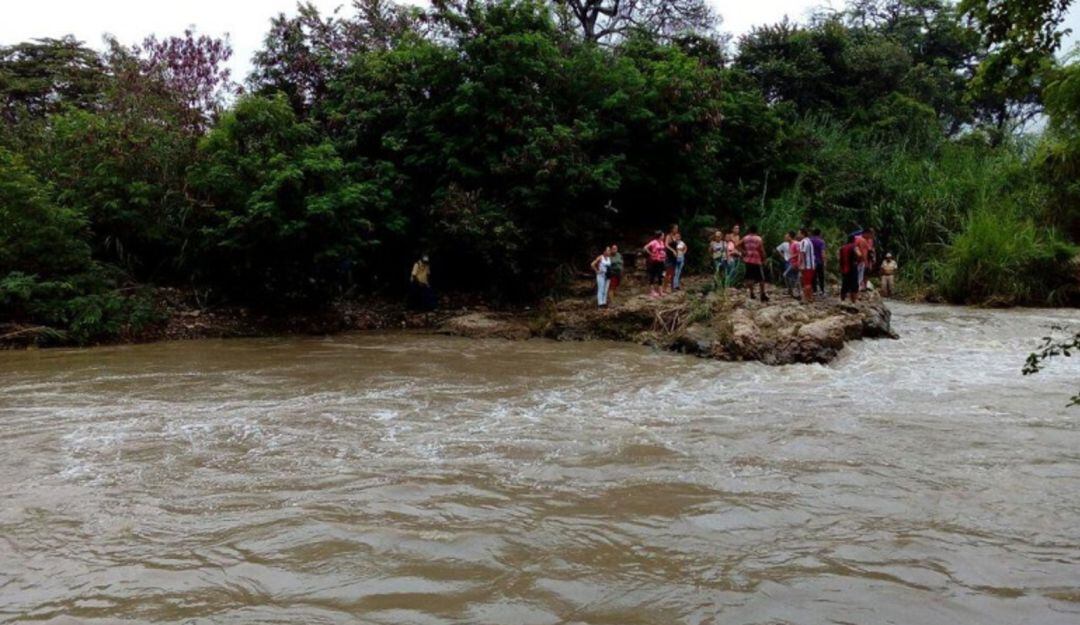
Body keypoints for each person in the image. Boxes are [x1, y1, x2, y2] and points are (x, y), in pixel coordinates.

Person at [740, 225, 769, 302]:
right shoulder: (758, 239)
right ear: (756, 231)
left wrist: (743, 252)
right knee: (761, 278)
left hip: (748, 260)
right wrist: (765, 258)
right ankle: (762, 294)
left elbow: (737, 245)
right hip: (756, 260)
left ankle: (752, 293)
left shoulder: (745, 238)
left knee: (749, 277)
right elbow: (762, 250)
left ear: (749, 230)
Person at [776, 231, 800, 298]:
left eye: (787, 236)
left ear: (790, 237)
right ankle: (794, 292)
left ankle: (794, 291)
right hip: (791, 262)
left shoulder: (795, 243)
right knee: (794, 277)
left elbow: (799, 253)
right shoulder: (790, 244)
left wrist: (791, 257)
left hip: (795, 263)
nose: (785, 237)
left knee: (787, 275)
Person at [644, 231, 667, 298]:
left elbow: (663, 250)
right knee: (653, 275)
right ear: (659, 236)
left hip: (661, 261)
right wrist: (651, 253)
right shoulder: (654, 242)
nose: (663, 236)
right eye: (663, 235)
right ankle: (652, 291)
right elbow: (645, 247)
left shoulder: (662, 242)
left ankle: (660, 291)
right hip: (654, 261)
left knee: (660, 275)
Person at [797, 228, 816, 303]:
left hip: (806, 265)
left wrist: (800, 264)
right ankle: (810, 297)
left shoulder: (803, 242)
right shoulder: (809, 241)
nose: (798, 235)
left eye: (799, 233)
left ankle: (805, 298)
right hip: (811, 265)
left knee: (806, 282)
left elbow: (802, 253)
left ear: (803, 234)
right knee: (809, 282)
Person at [839, 236, 860, 303]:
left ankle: (842, 300)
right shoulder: (854, 246)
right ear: (853, 240)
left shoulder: (842, 247)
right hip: (852, 268)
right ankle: (853, 301)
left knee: (844, 284)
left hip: (844, 268)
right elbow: (859, 254)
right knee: (854, 285)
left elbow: (839, 258)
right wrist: (857, 260)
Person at [664, 224, 680, 293]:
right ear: (672, 229)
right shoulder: (668, 236)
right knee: (668, 272)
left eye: (677, 229)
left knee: (673, 273)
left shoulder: (676, 236)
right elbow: (666, 245)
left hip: (675, 257)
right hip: (669, 256)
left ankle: (672, 287)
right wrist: (673, 250)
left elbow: (678, 245)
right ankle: (664, 288)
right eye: (675, 228)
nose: (676, 230)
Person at [811, 228, 827, 296]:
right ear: (820, 233)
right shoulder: (821, 241)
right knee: (821, 276)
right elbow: (822, 252)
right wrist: (825, 261)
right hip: (819, 261)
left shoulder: (809, 240)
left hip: (811, 261)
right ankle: (822, 290)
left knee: (813, 276)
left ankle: (814, 290)